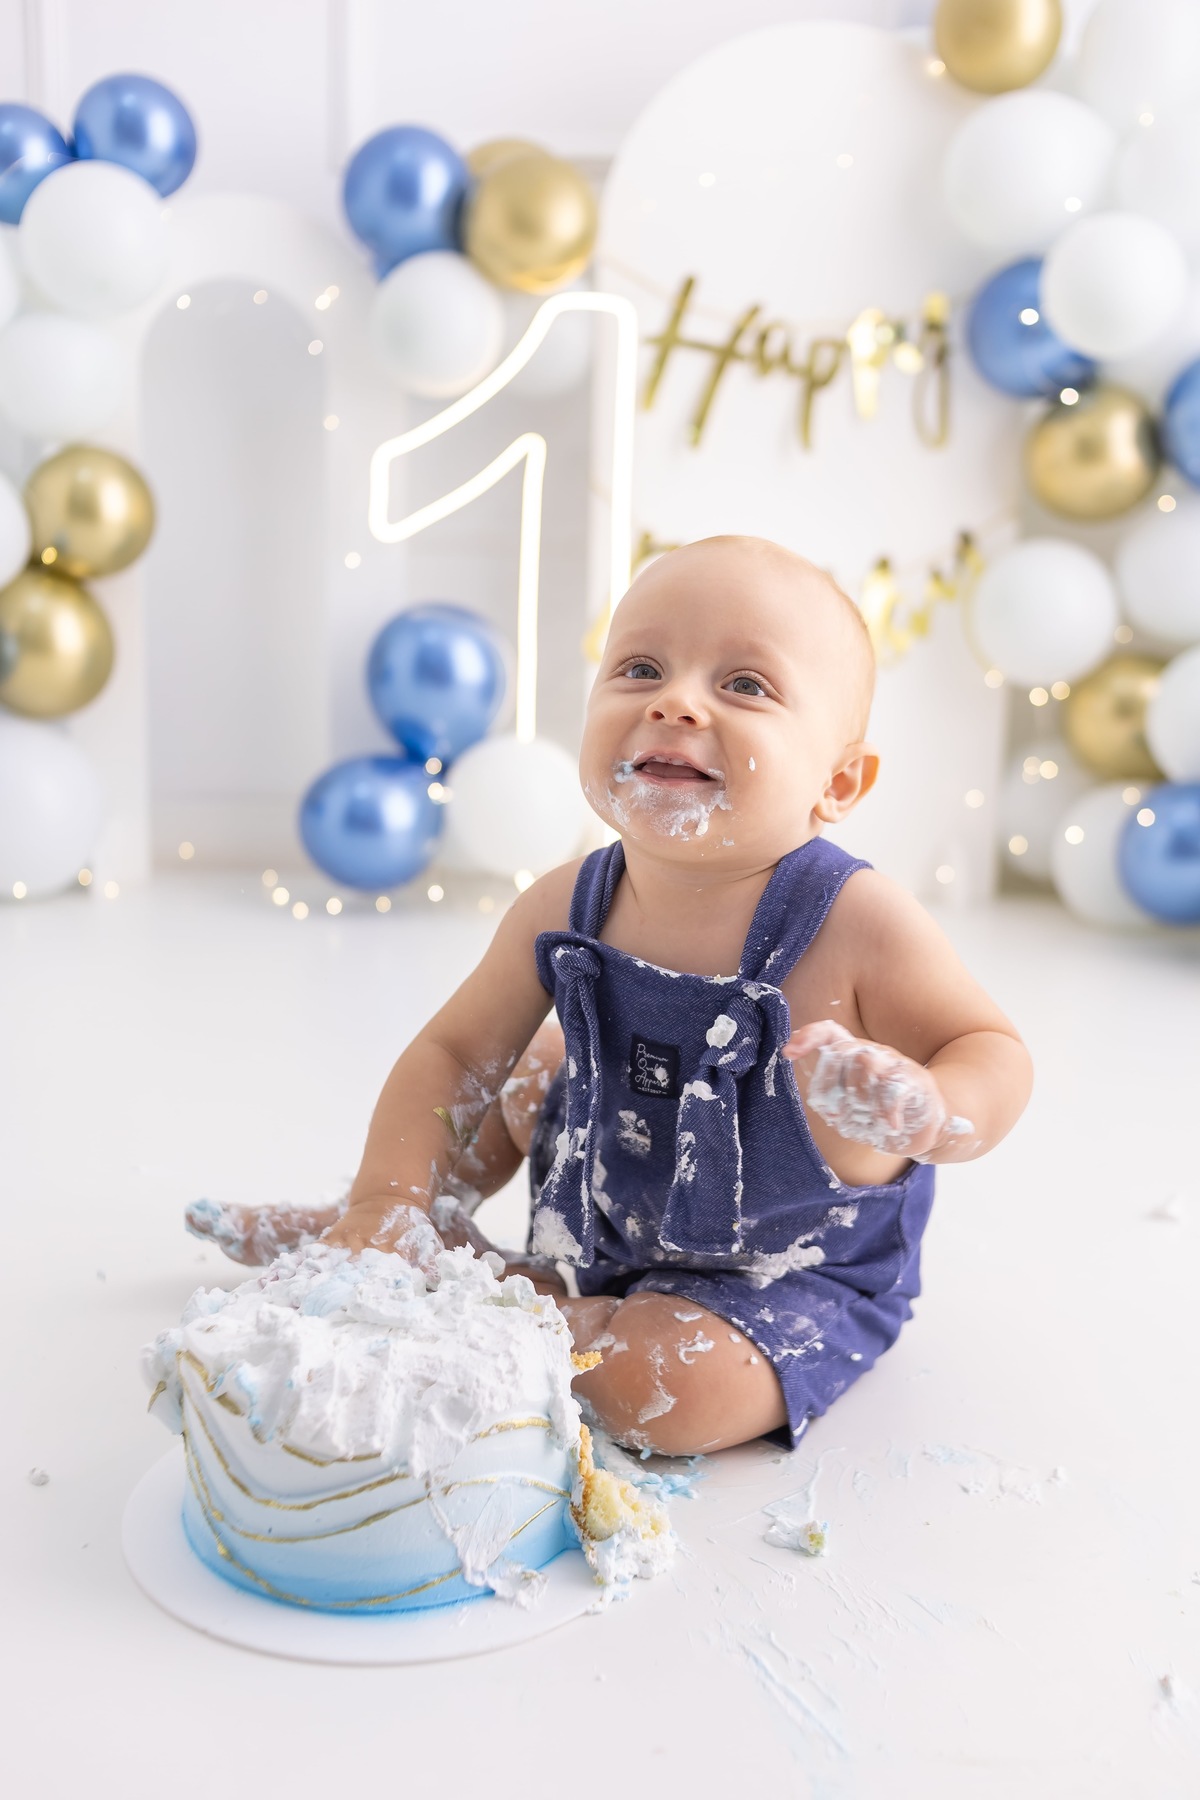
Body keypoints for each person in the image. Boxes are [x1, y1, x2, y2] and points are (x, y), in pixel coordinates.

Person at [188, 536, 1032, 1456]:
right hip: (600, 1206)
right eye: (640, 668)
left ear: (838, 782)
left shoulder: (856, 920)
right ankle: (400, 1230)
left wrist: (932, 1109)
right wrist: (387, 1190)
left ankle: (492, 1302)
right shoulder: (567, 902)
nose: (674, 700)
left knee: (669, 1394)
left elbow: (993, 1048)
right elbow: (454, 1056)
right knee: (519, 1079)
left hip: (778, 1279)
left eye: (745, 685)